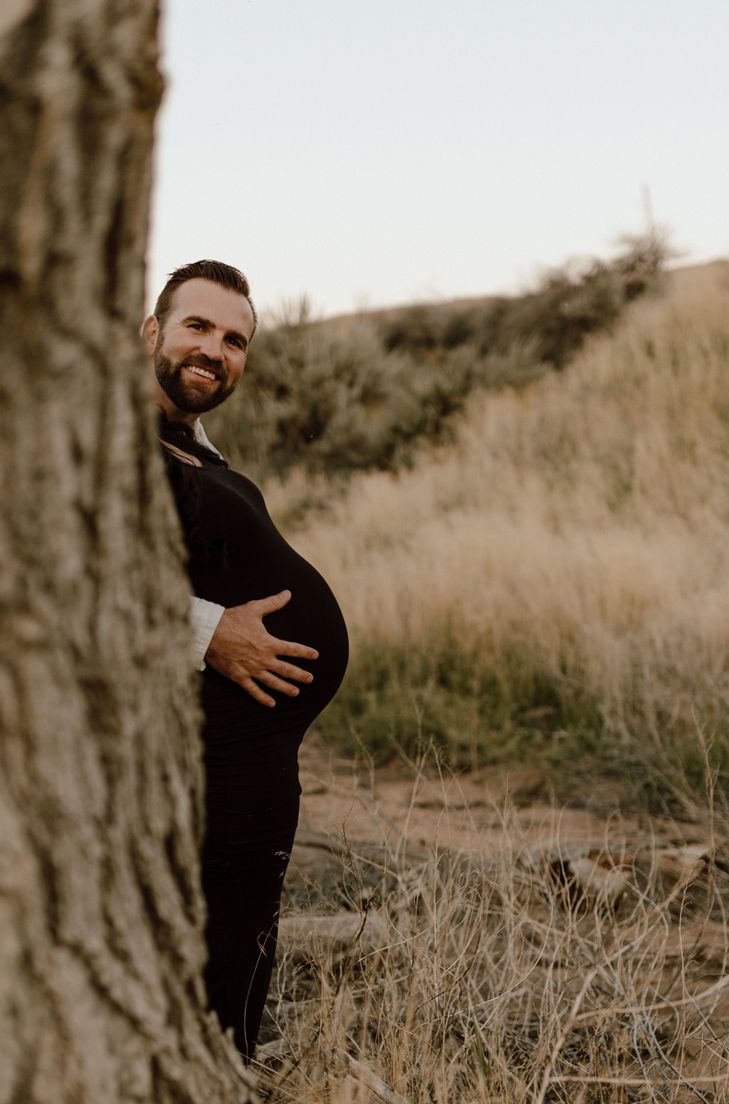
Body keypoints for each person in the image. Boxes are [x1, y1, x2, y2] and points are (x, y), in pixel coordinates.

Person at [143, 259, 349, 1060]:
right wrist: (208, 632)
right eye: (198, 326)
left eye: (235, 340)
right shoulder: (95, 445)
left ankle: (214, 1071)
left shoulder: (192, 446)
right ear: (151, 331)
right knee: (216, 927)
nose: (215, 350)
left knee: (238, 923)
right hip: (208, 741)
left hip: (249, 742)